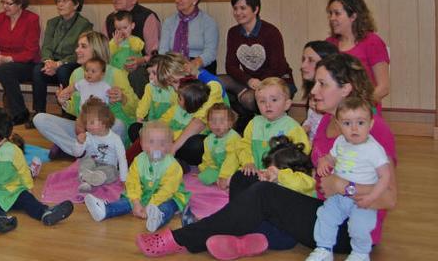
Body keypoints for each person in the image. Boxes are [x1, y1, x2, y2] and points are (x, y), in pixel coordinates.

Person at [135, 53, 397, 260]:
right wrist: (277, 175)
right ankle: (258, 237)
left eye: (322, 84)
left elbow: (388, 197)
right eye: (315, 82)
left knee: (263, 193)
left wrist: (343, 186)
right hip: (318, 211)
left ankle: (181, 238)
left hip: (347, 229)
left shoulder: (372, 127)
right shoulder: (327, 123)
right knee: (242, 178)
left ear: (346, 89)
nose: (313, 90)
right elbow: (307, 175)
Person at [0, 108, 74, 234]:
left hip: (9, 191)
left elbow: (23, 170)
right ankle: (0, 219)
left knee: (25, 197)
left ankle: (46, 213)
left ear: (2, 141)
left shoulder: (13, 151)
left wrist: (28, 186)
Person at [308, 96, 391, 261]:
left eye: (360, 123)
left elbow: (385, 176)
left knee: (359, 228)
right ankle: (324, 249)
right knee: (325, 216)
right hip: (338, 197)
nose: (354, 128)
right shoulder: (340, 141)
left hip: (361, 199)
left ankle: (360, 253)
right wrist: (324, 161)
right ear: (339, 125)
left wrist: (372, 197)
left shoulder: (374, 149)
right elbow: (332, 157)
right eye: (347, 123)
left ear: (371, 124)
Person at [33, 31, 137, 156]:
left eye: (83, 46)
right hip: (85, 129)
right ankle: (79, 150)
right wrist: (64, 102)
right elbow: (77, 111)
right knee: (40, 119)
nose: (77, 50)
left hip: (108, 130)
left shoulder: (116, 74)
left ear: (96, 50)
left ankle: (87, 150)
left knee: (118, 125)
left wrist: (123, 98)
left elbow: (136, 109)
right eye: (78, 46)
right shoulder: (76, 74)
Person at [84, 121, 189, 232]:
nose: (157, 147)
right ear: (142, 145)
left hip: (168, 195)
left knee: (169, 206)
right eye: (151, 142)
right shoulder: (139, 160)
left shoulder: (173, 166)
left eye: (162, 143)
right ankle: (105, 210)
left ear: (169, 146)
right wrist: (136, 202)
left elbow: (167, 190)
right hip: (144, 192)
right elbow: (133, 182)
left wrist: (150, 205)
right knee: (127, 201)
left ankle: (159, 217)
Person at [220, 0, 295, 130]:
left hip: (277, 80)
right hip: (251, 80)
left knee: (249, 98)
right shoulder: (233, 33)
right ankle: (245, 117)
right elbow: (230, 66)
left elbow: (276, 67)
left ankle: (257, 122)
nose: (238, 12)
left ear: (255, 9)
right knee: (217, 82)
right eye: (235, 8)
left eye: (243, 8)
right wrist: (249, 81)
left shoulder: (271, 32)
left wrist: (257, 83)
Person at [229, 77, 310, 196]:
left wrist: (279, 174)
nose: (268, 105)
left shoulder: (293, 127)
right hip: (256, 172)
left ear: (287, 104)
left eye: (274, 100)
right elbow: (244, 145)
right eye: (262, 101)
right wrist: (248, 162)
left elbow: (301, 157)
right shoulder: (254, 123)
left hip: (280, 180)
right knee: (239, 178)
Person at [31, 0, 93, 125]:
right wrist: (48, 62)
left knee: (65, 71)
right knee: (37, 70)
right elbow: (46, 46)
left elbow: (79, 52)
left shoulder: (84, 25)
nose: (60, 4)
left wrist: (58, 64)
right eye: (58, 1)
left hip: (70, 63)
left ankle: (68, 113)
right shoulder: (52, 23)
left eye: (65, 1)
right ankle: (38, 112)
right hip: (52, 63)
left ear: (76, 4)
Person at [325, 0, 390, 107]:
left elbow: (383, 88)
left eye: (337, 13)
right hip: (335, 110)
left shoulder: (372, 42)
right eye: (330, 14)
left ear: (353, 16)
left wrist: (357, 107)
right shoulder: (329, 44)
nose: (332, 18)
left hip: (364, 110)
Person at [106, 0, 160, 95]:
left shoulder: (148, 17)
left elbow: (155, 54)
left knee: (136, 74)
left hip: (143, 65)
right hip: (115, 64)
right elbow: (104, 49)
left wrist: (140, 61)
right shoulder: (110, 19)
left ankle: (141, 111)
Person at [159, 0, 219, 74]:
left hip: (199, 67)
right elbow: (162, 51)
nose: (177, 0)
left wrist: (194, 64)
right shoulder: (169, 22)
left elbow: (210, 53)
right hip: (173, 66)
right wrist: (173, 66)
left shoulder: (208, 22)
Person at [71, 99, 128, 193]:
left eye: (92, 122)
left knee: (112, 172)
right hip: (92, 164)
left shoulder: (115, 139)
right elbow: (77, 154)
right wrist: (79, 143)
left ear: (104, 121)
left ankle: (89, 180)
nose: (88, 126)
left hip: (108, 167)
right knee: (85, 161)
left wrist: (124, 179)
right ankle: (88, 180)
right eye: (86, 123)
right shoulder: (88, 136)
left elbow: (122, 160)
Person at [197, 103, 242, 186]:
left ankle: (225, 180)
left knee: (239, 176)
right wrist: (204, 169)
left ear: (230, 123)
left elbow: (232, 159)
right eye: (213, 121)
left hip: (234, 167)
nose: (217, 125)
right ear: (208, 124)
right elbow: (208, 158)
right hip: (218, 168)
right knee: (203, 177)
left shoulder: (233, 137)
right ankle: (219, 180)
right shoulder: (208, 140)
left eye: (222, 121)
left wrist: (224, 175)